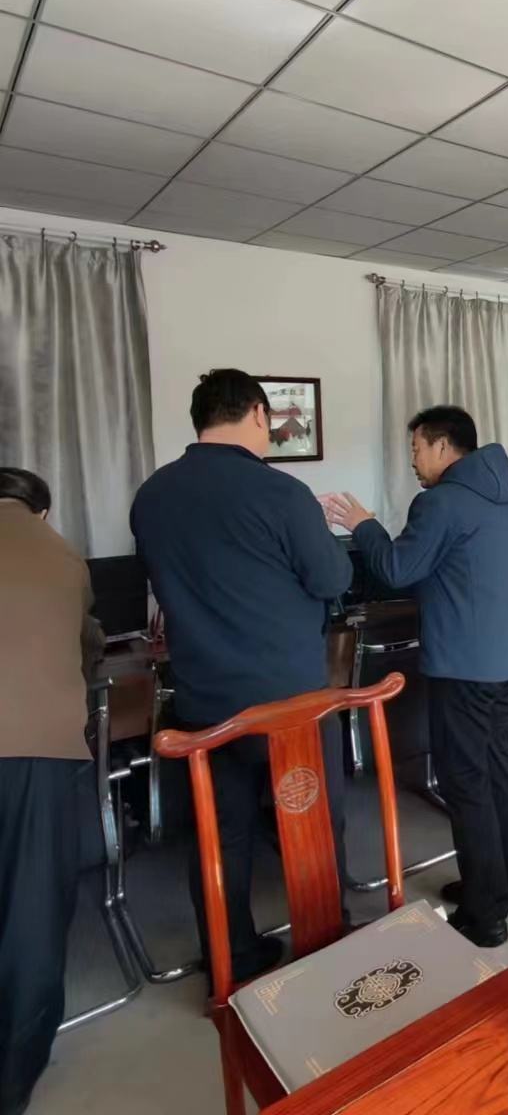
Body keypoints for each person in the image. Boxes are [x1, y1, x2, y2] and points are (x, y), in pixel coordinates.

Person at [131, 370, 353, 981]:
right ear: (258, 414)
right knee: (310, 821)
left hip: (203, 700)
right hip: (287, 702)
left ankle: (232, 962)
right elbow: (333, 579)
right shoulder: (280, 492)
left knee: (219, 837)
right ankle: (326, 946)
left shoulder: (151, 496)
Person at [323, 407, 508, 946]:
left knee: (466, 783)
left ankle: (485, 916)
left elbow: (397, 569)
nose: (413, 461)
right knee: (496, 773)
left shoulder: (440, 502)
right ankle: (498, 886)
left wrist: (364, 525)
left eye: (416, 449)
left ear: (443, 446)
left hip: (463, 666)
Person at [0, 468, 103, 1115]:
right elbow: (85, 647)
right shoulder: (61, 555)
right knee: (30, 910)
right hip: (35, 747)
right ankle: (13, 1074)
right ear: (40, 511)